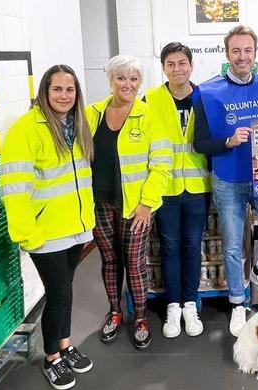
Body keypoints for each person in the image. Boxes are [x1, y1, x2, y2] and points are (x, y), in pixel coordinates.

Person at [193, 25, 258, 337]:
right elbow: (200, 144)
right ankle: (238, 304)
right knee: (233, 245)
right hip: (228, 180)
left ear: (255, 53)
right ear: (227, 54)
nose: (242, 56)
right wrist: (227, 141)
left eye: (247, 50)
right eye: (236, 51)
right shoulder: (208, 92)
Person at [0, 65, 94, 390]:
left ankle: (65, 346)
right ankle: (51, 358)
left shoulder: (77, 125)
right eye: (57, 89)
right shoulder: (26, 129)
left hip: (75, 228)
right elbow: (13, 186)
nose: (64, 95)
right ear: (44, 91)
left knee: (65, 292)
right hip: (46, 234)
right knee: (58, 295)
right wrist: (30, 235)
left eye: (70, 90)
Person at [86, 55, 173, 350]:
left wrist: (147, 203)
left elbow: (162, 164)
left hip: (136, 208)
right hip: (99, 204)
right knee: (110, 262)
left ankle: (140, 317)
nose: (128, 84)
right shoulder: (91, 113)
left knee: (135, 265)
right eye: (121, 78)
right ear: (110, 80)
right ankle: (114, 312)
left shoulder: (149, 116)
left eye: (134, 79)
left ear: (140, 83)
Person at [144, 42, 210, 339]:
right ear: (164, 68)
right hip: (165, 188)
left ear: (191, 66)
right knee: (169, 247)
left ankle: (190, 304)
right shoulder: (151, 99)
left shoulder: (205, 97)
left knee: (192, 246)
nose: (177, 69)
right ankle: (173, 305)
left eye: (182, 63)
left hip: (197, 186)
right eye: (171, 64)